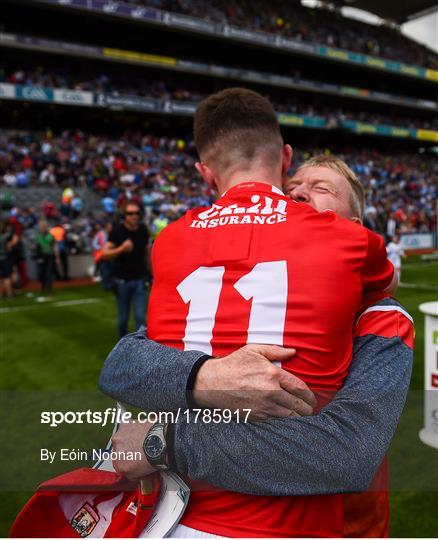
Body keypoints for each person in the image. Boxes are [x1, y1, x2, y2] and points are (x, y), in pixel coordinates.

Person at [101, 88, 397, 538]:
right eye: (294, 186)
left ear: (205, 173)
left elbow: (345, 455)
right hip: (246, 521)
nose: (298, 196)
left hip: (188, 514)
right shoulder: (350, 244)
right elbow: (122, 364)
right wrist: (204, 376)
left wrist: (163, 439)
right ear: (283, 160)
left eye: (320, 190)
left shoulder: (173, 240)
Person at [101, 202, 150, 337]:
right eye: (130, 213)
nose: (134, 216)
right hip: (122, 281)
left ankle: (142, 348)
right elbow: (104, 254)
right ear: (124, 216)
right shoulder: (117, 231)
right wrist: (121, 248)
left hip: (140, 279)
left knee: (140, 317)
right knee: (123, 319)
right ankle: (123, 348)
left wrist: (152, 272)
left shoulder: (143, 229)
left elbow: (147, 253)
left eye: (136, 213)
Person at [34, 220, 57, 297]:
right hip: (40, 256)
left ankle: (49, 290)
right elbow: (35, 245)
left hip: (48, 256)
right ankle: (43, 287)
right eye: (41, 226)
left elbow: (54, 247)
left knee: (48, 274)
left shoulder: (50, 235)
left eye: (43, 226)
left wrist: (57, 257)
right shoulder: (38, 235)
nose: (42, 228)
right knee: (41, 273)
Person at [0, 218, 18, 299]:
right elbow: (14, 240)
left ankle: (1, 294)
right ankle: (9, 293)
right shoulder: (6, 236)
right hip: (5, 258)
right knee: (7, 276)